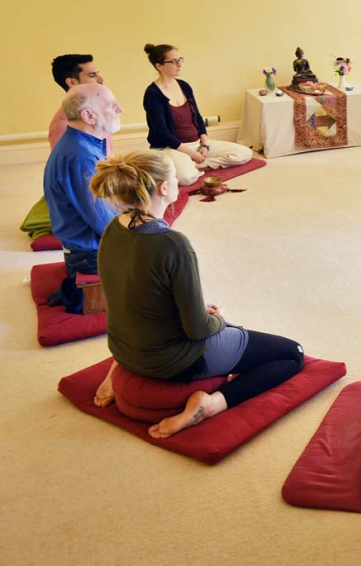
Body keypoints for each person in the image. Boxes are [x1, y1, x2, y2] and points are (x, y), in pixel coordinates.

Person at [89, 150, 304, 439]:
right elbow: (198, 329)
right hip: (172, 360)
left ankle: (116, 373)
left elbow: (133, 293)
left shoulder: (113, 228)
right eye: (175, 177)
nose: (179, 182)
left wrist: (195, 306)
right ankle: (212, 404)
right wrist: (219, 318)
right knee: (292, 353)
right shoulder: (172, 244)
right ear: (164, 188)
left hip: (124, 350)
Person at [42, 84, 121, 314]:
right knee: (163, 256)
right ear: (88, 115)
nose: (119, 108)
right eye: (111, 105)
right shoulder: (81, 156)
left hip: (82, 249)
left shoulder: (82, 143)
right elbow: (104, 223)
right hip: (89, 256)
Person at [20, 54, 112, 242]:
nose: (101, 79)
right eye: (92, 75)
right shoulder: (64, 126)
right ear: (72, 82)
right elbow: (81, 187)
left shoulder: (95, 118)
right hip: (88, 204)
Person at [142, 43, 253, 186]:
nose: (179, 64)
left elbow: (198, 117)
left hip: (196, 144)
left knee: (244, 153)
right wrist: (192, 154)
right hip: (171, 148)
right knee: (186, 178)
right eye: (174, 61)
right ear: (159, 66)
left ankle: (201, 166)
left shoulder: (184, 86)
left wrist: (205, 145)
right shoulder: (152, 94)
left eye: (180, 60)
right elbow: (162, 133)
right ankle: (185, 165)